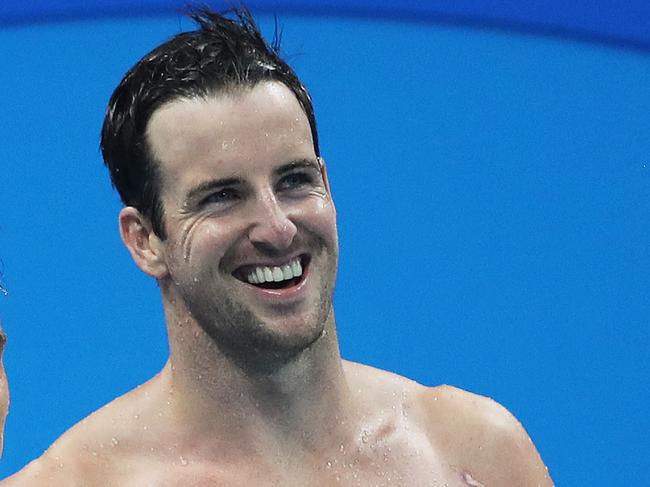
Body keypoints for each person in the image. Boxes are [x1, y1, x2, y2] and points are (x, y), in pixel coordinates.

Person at [3, 7, 553, 486]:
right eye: (222, 196)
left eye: (294, 181)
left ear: (327, 186)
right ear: (145, 241)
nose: (277, 227)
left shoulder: (475, 455)